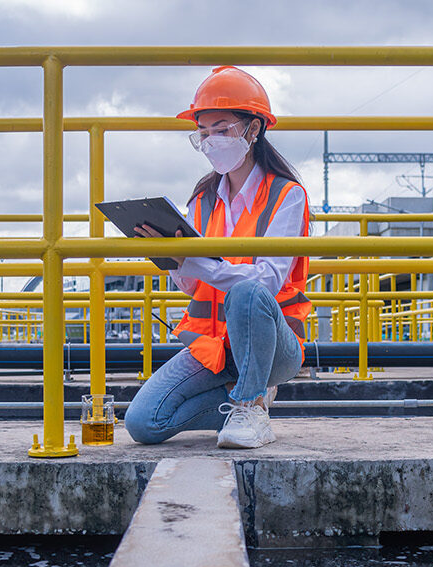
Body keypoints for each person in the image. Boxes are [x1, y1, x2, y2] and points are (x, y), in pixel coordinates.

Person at [124, 66, 311, 449]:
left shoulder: (287, 195)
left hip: (273, 347)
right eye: (204, 133)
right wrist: (174, 261)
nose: (211, 141)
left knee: (247, 290)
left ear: (254, 129)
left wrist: (198, 262)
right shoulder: (201, 200)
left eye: (222, 129)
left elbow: (267, 283)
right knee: (143, 423)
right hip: (215, 346)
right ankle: (246, 396)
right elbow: (194, 284)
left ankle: (252, 402)